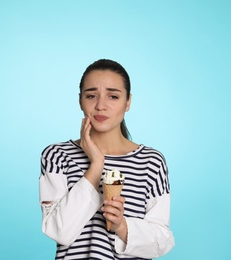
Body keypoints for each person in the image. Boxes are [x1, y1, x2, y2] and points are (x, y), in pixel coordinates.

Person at [39, 59, 175, 259]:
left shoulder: (151, 162)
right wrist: (96, 165)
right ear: (80, 101)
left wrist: (122, 226)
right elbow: (59, 232)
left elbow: (162, 241)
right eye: (91, 95)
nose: (101, 105)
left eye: (113, 96)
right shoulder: (56, 155)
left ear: (128, 102)